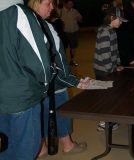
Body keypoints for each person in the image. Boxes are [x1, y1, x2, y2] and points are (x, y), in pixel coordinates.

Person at [27, 0, 87, 158]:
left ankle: (41, 148)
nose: (52, 7)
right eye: (47, 4)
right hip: (54, 82)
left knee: (41, 113)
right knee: (60, 111)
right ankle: (68, 146)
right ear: (35, 4)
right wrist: (73, 81)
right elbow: (59, 59)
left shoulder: (26, 25)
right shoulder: (46, 27)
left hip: (35, 84)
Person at [0, 0, 53, 159]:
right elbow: (38, 59)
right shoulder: (19, 12)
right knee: (26, 149)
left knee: (4, 148)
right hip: (22, 96)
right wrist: (44, 85)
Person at [94, 7, 127, 131]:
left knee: (112, 95)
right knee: (105, 97)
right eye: (120, 19)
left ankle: (109, 118)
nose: (121, 22)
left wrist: (117, 63)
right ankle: (102, 123)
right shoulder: (104, 32)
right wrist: (112, 69)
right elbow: (104, 54)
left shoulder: (112, 31)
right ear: (112, 18)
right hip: (103, 70)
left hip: (110, 68)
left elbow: (115, 50)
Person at [60, 0, 82, 66]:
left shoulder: (75, 11)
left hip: (73, 32)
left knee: (73, 46)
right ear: (65, 4)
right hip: (64, 33)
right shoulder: (60, 11)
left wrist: (79, 18)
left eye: (72, 4)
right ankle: (63, 61)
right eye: (69, 4)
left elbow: (80, 18)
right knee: (63, 47)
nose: (71, 6)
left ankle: (72, 60)